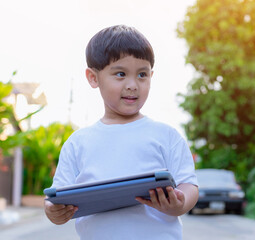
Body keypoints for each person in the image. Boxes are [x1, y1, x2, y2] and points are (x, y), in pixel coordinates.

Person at [44, 25, 199, 240]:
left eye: (142, 75)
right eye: (120, 74)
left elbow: (188, 184)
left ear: (151, 76)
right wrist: (54, 212)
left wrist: (179, 203)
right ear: (93, 78)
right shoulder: (78, 142)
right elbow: (57, 196)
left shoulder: (166, 136)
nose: (133, 85)